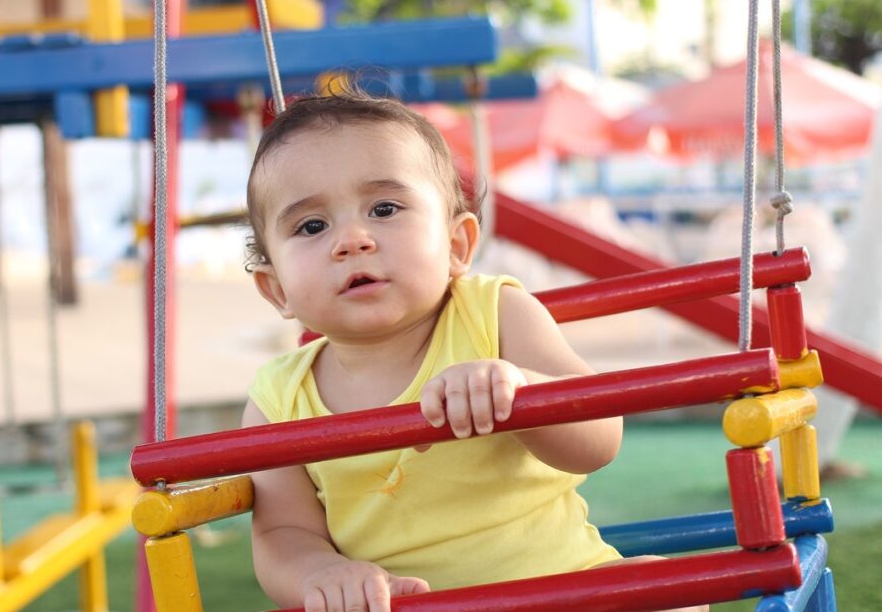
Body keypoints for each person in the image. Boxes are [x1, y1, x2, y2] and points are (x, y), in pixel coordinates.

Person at [241, 92, 701, 612]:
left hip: (566, 593)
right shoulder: (278, 398)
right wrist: (322, 572)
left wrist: (521, 389)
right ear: (277, 288)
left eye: (385, 208)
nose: (352, 239)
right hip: (411, 606)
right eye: (311, 226)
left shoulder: (493, 314)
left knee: (664, 588)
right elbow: (282, 530)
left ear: (457, 246)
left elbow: (598, 438)